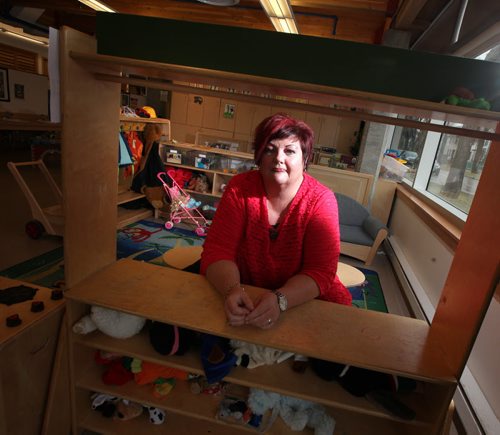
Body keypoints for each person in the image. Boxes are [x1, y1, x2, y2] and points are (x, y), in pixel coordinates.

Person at [200, 113, 352, 329]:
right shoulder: (238, 188)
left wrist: (280, 299)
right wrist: (231, 290)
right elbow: (217, 252)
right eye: (270, 149)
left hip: (301, 293)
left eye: (290, 151)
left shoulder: (321, 200)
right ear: (259, 156)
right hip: (245, 285)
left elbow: (320, 271)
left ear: (305, 159)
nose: (278, 157)